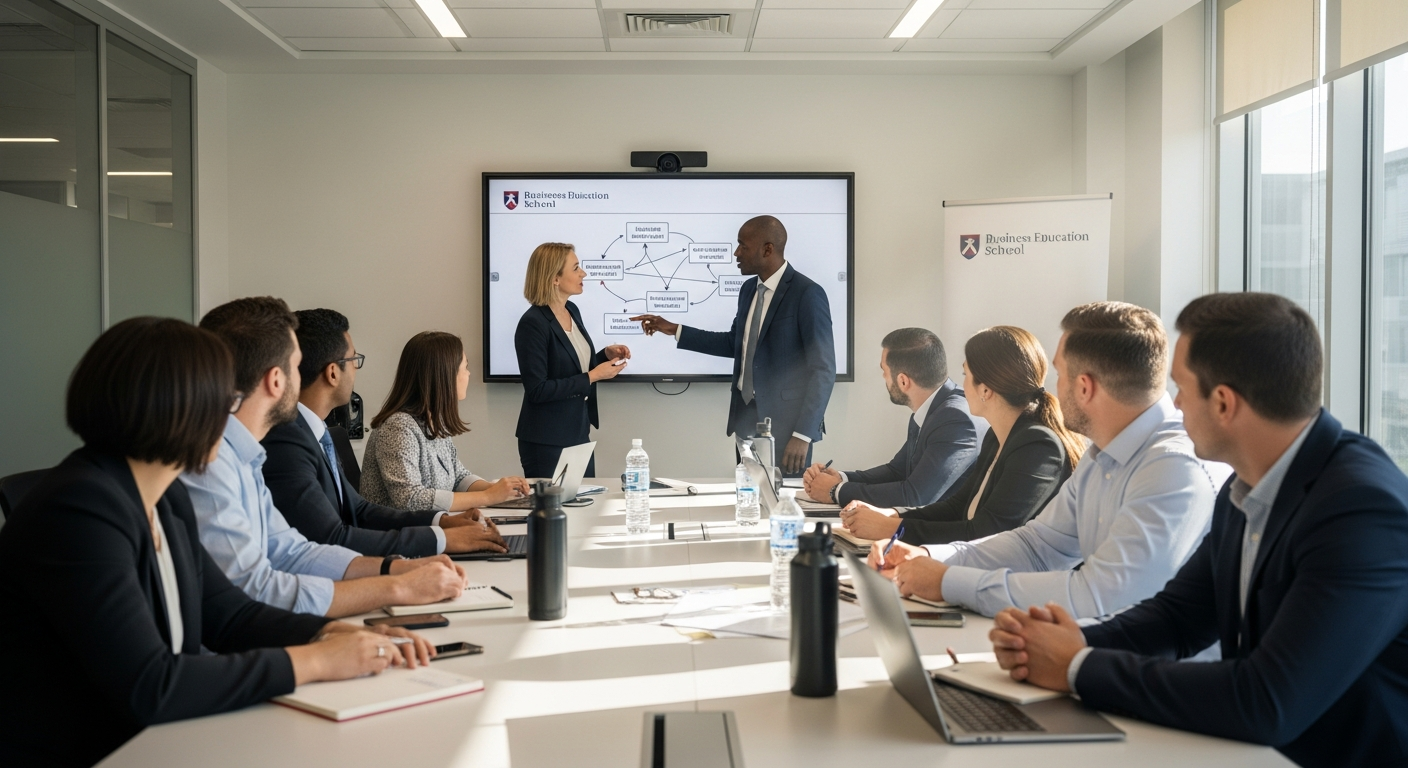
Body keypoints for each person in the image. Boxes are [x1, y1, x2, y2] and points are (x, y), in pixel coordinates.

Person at [988, 293, 1408, 768]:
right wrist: (1062, 643)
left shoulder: (1362, 511)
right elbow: (1179, 616)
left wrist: (1076, 666)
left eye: (1182, 388)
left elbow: (1266, 701)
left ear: (1225, 403)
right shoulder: (1247, 484)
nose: (1175, 403)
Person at [0, 317, 438, 767]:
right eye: (225, 400)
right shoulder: (79, 510)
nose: (232, 417)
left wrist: (330, 633)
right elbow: (153, 685)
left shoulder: (162, 497)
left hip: (156, 742)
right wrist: (318, 662)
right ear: (175, 406)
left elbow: (228, 613)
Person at [871, 302, 1221, 620]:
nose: (1052, 386)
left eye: (1060, 373)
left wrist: (949, 581)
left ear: (1084, 387)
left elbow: (1099, 595)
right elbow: (1036, 545)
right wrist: (932, 558)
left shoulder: (1173, 468)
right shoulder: (1102, 455)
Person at [182, 297, 468, 619]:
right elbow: (256, 589)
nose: (302, 376)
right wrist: (397, 586)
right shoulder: (217, 462)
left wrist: (396, 569)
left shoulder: (246, 456)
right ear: (277, 381)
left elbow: (292, 552)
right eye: (296, 365)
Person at [262, 308, 507, 558]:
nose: (357, 369)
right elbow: (332, 538)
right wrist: (442, 537)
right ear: (333, 372)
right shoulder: (288, 440)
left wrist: (442, 522)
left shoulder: (314, 431)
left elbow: (359, 510)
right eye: (354, 360)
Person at [630, 215, 835, 475]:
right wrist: (672, 328)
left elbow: (823, 369)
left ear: (767, 249)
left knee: (786, 507)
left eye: (743, 246)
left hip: (788, 428)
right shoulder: (749, 289)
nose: (736, 253)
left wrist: (804, 434)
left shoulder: (807, 293)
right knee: (748, 497)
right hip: (745, 418)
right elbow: (734, 343)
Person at [842, 326, 1083, 545]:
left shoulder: (1037, 446)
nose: (961, 384)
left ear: (986, 390)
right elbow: (959, 506)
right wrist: (894, 514)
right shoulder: (996, 435)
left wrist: (894, 528)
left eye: (966, 375)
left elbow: (986, 533)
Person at [802, 328, 981, 508]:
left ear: (903, 381)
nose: (884, 378)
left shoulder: (955, 419)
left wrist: (836, 491)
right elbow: (897, 470)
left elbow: (915, 496)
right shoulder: (933, 408)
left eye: (884, 371)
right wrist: (840, 478)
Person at [363, 331, 530, 511]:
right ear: (444, 375)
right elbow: (410, 500)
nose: (468, 374)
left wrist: (497, 489)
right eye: (465, 367)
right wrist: (488, 497)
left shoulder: (433, 421)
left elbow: (458, 476)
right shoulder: (398, 427)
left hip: (426, 528)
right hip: (398, 534)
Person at [514, 242, 631, 477]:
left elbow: (571, 366)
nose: (583, 274)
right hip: (546, 439)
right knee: (554, 511)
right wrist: (593, 375)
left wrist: (603, 356)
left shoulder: (572, 310)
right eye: (576, 268)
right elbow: (538, 389)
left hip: (578, 431)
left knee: (586, 507)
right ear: (554, 278)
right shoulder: (533, 323)